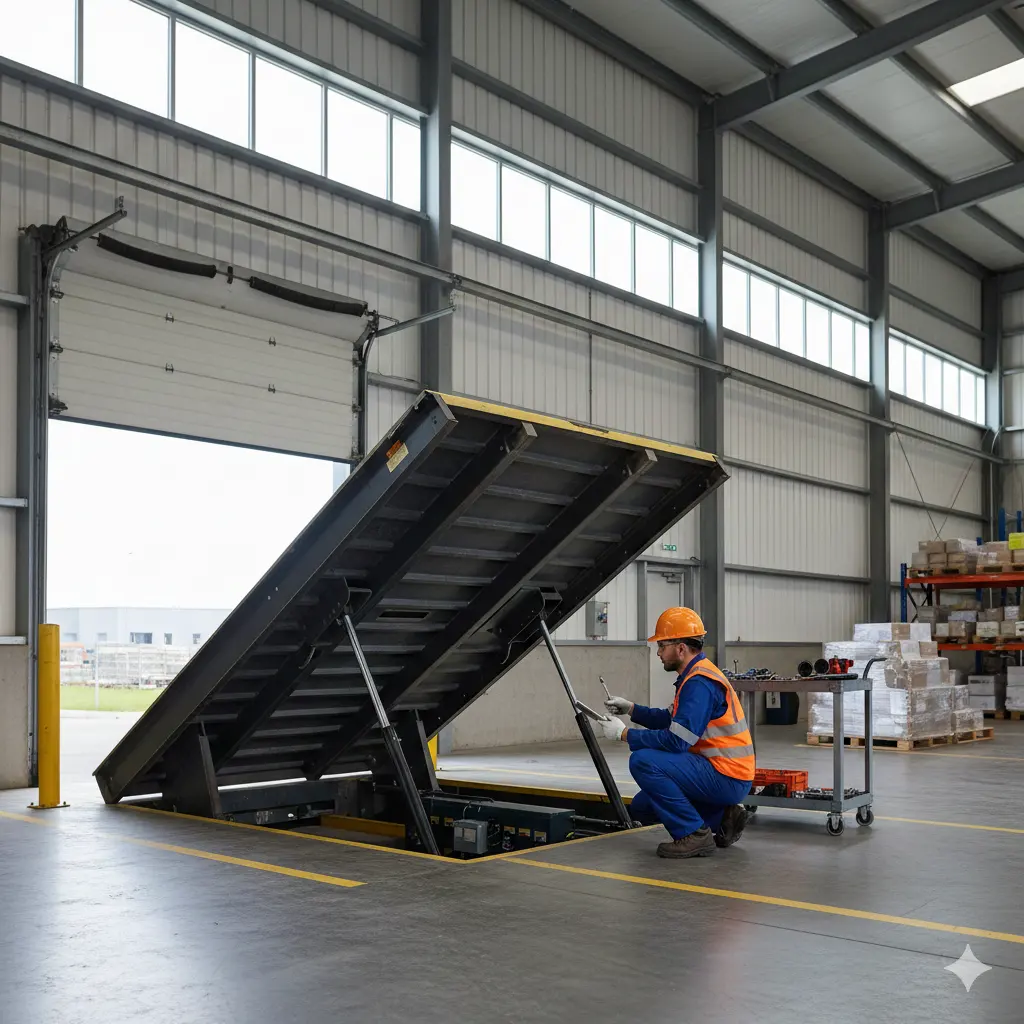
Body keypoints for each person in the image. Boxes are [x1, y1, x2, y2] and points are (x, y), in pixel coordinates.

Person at [600, 607, 755, 859]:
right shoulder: (695, 675)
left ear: (681, 648)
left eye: (662, 646)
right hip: (720, 770)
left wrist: (624, 735)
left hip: (726, 775)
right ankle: (722, 817)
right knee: (643, 806)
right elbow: (671, 720)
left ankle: (694, 835)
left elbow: (677, 740)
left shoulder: (699, 683)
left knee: (643, 761)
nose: (659, 652)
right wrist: (631, 708)